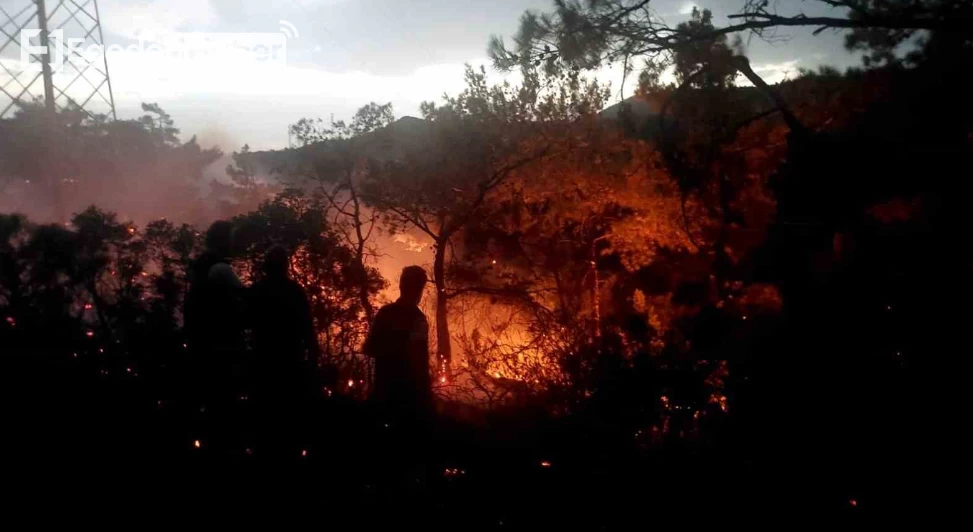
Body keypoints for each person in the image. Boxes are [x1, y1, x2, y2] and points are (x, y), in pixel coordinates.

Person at [248, 246, 319, 457]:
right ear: (286, 267)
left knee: (264, 424)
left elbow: (244, 323)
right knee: (289, 425)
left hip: (263, 367)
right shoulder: (295, 292)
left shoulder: (257, 291)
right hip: (290, 366)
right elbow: (308, 329)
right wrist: (312, 362)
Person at [363, 265, 432, 421]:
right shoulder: (418, 319)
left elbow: (369, 348)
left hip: (383, 391)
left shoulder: (384, 313)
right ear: (420, 289)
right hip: (407, 399)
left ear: (401, 285)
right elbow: (419, 361)